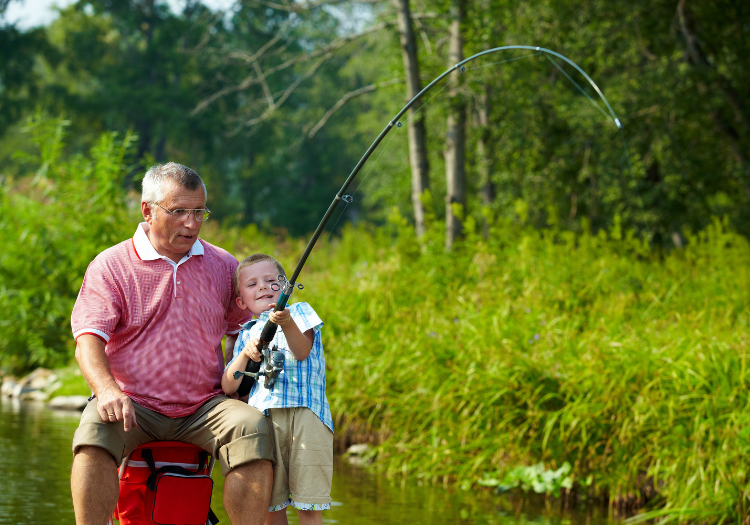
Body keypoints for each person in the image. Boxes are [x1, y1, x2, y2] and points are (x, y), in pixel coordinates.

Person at [69, 163, 274, 525]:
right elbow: (88, 339)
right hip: (134, 405)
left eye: (199, 212)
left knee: (252, 425)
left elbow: (244, 332)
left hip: (205, 407)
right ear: (148, 210)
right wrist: (106, 390)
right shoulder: (111, 265)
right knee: (94, 432)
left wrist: (243, 383)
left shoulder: (224, 265)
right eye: (178, 211)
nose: (191, 223)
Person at [223, 254, 333, 525]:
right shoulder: (246, 333)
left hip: (307, 415)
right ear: (241, 301)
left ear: (285, 287)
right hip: (264, 420)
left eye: (270, 281)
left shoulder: (299, 311)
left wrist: (284, 322)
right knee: (272, 505)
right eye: (252, 284)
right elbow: (229, 386)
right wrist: (244, 355)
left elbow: (302, 351)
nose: (262, 287)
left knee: (308, 505)